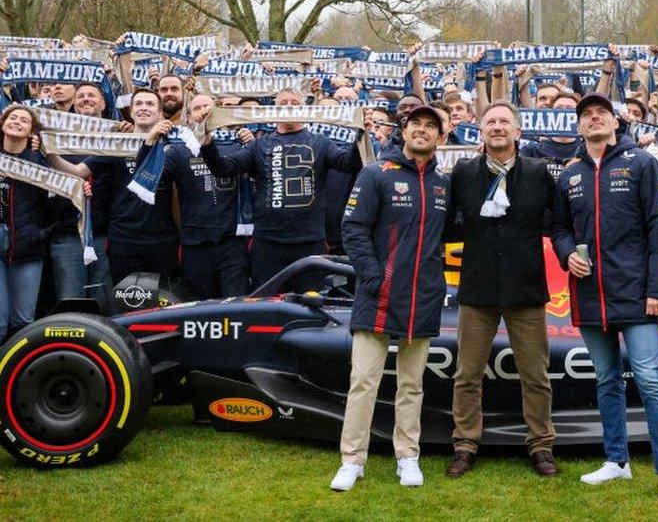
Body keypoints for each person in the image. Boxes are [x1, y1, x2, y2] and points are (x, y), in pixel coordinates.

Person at [552, 92, 658, 500]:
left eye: (601, 114)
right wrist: (565, 257)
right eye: (587, 116)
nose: (594, 120)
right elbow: (559, 229)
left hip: (637, 294)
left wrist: (657, 291)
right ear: (579, 127)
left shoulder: (641, 163)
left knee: (648, 379)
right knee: (607, 380)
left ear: (615, 122)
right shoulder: (569, 175)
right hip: (590, 294)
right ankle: (616, 461)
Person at [329, 106, 451, 491]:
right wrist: (371, 274)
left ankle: (407, 456)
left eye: (431, 126)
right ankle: (352, 460)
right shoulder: (376, 173)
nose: (423, 131)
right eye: (416, 124)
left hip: (422, 297)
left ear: (441, 137)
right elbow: (352, 228)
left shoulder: (444, 183)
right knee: (363, 381)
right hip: (377, 294)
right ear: (404, 130)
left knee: (412, 384)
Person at [446, 101, 558, 478]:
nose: (497, 127)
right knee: (467, 374)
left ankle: (541, 445)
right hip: (477, 287)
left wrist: (570, 253)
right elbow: (447, 225)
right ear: (480, 130)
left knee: (536, 375)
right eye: (490, 121)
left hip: (526, 288)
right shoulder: (462, 173)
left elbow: (558, 222)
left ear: (517, 131)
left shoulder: (539, 172)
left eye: (504, 122)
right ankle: (465, 443)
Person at [198, 88, 366, 290]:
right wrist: (206, 140)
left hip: (309, 242)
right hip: (268, 244)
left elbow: (348, 163)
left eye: (295, 103)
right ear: (275, 109)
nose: (289, 107)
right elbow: (223, 169)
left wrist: (361, 133)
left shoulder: (320, 142)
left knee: (309, 306)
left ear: (305, 109)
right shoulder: (259, 145)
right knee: (267, 307)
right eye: (284, 102)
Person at [45, 88, 181, 283]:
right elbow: (77, 172)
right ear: (131, 112)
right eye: (138, 104)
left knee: (163, 302)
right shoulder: (115, 144)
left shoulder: (174, 146)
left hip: (162, 240)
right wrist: (47, 152)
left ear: (159, 112)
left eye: (150, 104)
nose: (143, 108)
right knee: (124, 304)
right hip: (123, 239)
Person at [149, 95, 249, 300]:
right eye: (197, 108)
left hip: (232, 243)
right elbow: (152, 180)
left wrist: (252, 141)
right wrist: (149, 143)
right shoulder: (177, 151)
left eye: (208, 107)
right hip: (195, 245)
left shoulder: (238, 145)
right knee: (200, 308)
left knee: (236, 306)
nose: (203, 112)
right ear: (188, 118)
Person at [47, 83, 120, 303]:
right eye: (80, 96)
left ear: (104, 103)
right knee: (70, 303)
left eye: (91, 95)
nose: (85, 99)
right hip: (67, 235)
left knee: (103, 302)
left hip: (104, 236)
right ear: (74, 104)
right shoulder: (57, 138)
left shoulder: (117, 137)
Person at [0, 106, 50, 338]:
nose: (17, 122)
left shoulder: (40, 163)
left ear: (32, 132)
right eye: (13, 118)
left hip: (27, 247)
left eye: (24, 120)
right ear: (3, 124)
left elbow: (56, 203)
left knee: (23, 323)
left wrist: (41, 233)